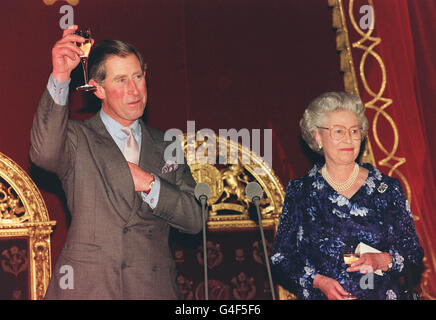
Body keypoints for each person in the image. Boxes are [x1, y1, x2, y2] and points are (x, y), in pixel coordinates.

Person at [30, 25, 202, 299]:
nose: (134, 90)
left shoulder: (167, 144)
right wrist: (61, 76)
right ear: (97, 89)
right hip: (88, 289)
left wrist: (150, 184)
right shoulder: (77, 138)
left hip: (151, 289)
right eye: (121, 80)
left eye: (138, 76)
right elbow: (43, 153)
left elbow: (196, 219)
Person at [270, 91, 424, 300]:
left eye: (354, 130)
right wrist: (319, 282)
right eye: (339, 131)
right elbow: (281, 259)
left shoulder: (386, 188)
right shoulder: (301, 192)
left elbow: (413, 255)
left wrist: (382, 260)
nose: (349, 138)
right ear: (318, 136)